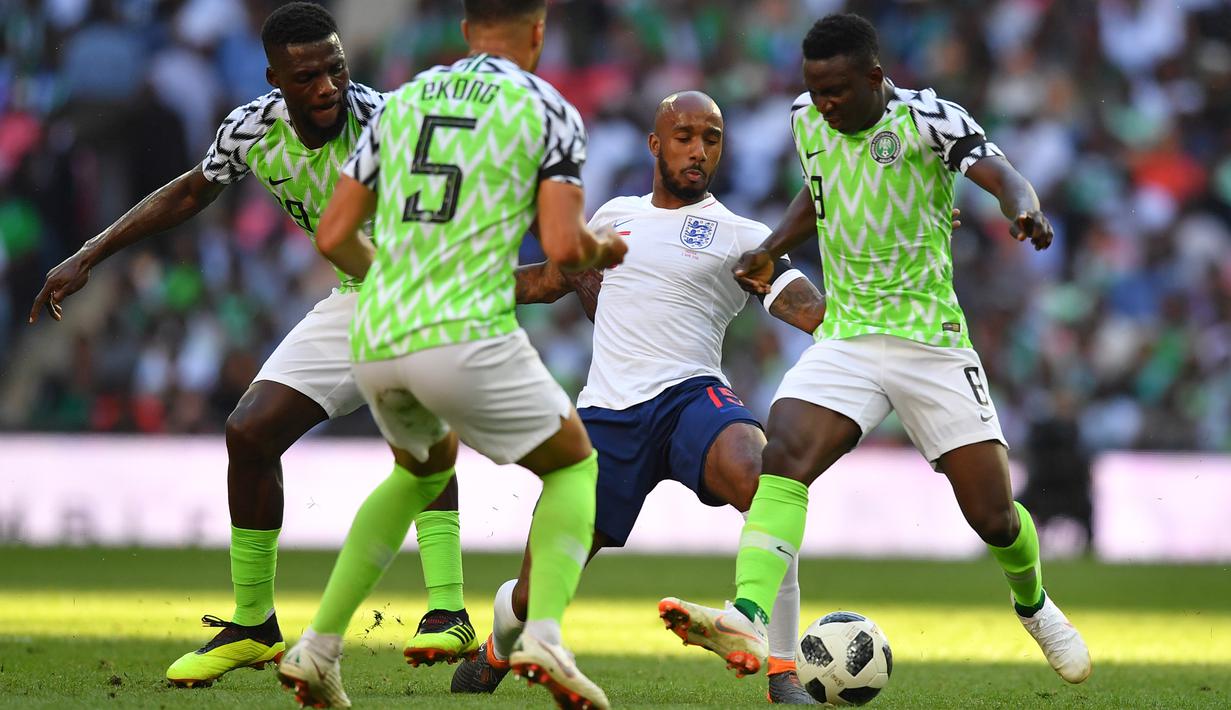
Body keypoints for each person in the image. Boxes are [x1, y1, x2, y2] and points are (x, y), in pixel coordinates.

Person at [27, 2, 475, 687]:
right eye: (307, 77)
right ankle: (254, 624)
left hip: (420, 290)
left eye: (335, 69)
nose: (326, 86)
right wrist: (91, 252)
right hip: (354, 298)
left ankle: (448, 610)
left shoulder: (391, 123)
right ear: (275, 78)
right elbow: (187, 194)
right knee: (249, 431)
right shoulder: (251, 129)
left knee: (417, 429)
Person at [659, 12, 1092, 688]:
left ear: (873, 77)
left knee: (994, 516)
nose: (824, 104)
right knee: (785, 455)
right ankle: (744, 612)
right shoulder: (807, 119)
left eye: (836, 91)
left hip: (930, 342)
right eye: (815, 89)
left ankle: (1034, 606)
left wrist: (1022, 208)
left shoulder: (928, 119)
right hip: (849, 335)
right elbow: (820, 194)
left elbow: (1000, 172)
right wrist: (771, 246)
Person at [276, 1, 626, 708]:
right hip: (463, 331)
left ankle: (317, 646)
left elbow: (335, 233)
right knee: (574, 465)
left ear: (466, 32)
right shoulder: (547, 107)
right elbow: (563, 247)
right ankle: (545, 634)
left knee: (419, 469)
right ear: (537, 31)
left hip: (375, 333)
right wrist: (603, 247)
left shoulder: (399, 104)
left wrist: (401, 285)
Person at [451, 90, 828, 705]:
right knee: (535, 588)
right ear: (656, 144)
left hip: (691, 397)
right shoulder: (612, 216)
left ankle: (781, 670)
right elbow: (550, 280)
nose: (698, 150)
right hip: (606, 416)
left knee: (768, 480)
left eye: (711, 138)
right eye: (684, 136)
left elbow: (803, 304)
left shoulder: (744, 235)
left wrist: (855, 324)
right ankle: (498, 646)